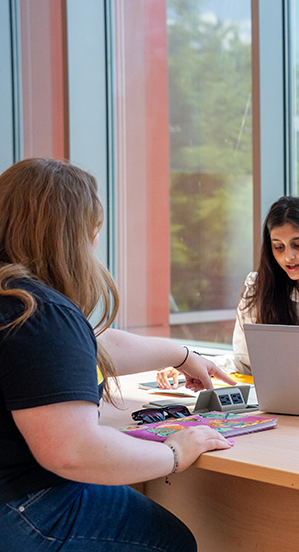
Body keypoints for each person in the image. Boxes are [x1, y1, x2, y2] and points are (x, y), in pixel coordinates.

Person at [0, 158, 237, 552]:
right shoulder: (42, 313)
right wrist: (174, 452)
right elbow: (72, 451)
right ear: (72, 235)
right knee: (171, 541)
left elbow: (85, 347)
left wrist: (180, 355)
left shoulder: (16, 302)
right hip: (27, 510)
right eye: (93, 231)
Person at [158, 196, 299, 384]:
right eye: (278, 247)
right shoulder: (258, 286)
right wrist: (194, 364)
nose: (288, 257)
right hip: (276, 405)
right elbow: (245, 362)